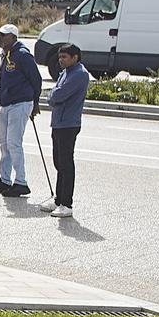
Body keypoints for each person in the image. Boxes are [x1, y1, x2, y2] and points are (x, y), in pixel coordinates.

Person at [0, 23, 41, 198]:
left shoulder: (23, 55)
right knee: (4, 143)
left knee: (14, 143)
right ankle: (5, 179)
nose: (0, 38)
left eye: (3, 35)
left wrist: (35, 103)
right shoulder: (6, 54)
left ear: (13, 38)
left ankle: (21, 182)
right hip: (7, 104)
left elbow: (36, 80)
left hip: (20, 103)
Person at [40, 42, 90, 218]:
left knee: (66, 163)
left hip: (69, 124)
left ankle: (66, 204)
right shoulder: (66, 72)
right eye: (60, 57)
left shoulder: (79, 75)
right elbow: (54, 93)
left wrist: (53, 95)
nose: (61, 60)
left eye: (64, 57)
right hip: (59, 123)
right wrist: (53, 95)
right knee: (58, 163)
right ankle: (58, 199)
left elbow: (57, 95)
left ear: (75, 58)